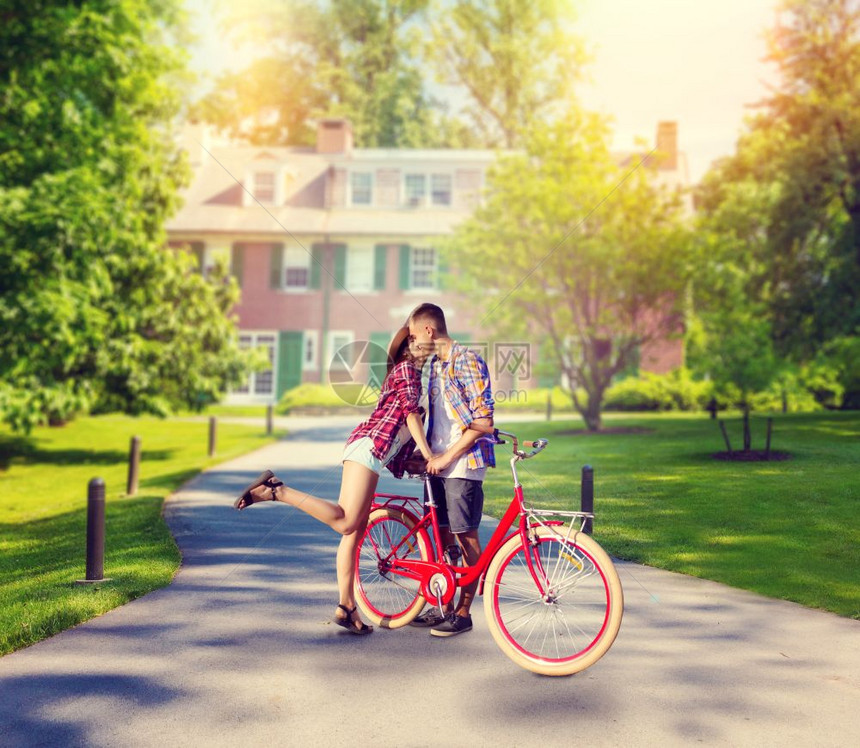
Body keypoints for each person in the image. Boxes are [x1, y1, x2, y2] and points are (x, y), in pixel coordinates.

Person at [233, 327, 433, 635]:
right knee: (345, 522)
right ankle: (277, 491)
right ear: (409, 342)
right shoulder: (406, 369)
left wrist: (417, 460)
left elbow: (399, 432)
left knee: (353, 533)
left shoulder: (414, 375)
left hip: (371, 452)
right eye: (424, 338)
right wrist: (430, 453)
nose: (430, 345)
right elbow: (408, 414)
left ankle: (346, 607)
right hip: (367, 448)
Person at [406, 303, 494, 637]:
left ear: (429, 330)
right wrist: (425, 451)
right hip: (438, 466)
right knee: (443, 537)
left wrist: (447, 457)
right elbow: (441, 418)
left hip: (463, 466)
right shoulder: (436, 367)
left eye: (415, 335)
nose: (414, 343)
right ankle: (442, 604)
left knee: (465, 534)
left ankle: (463, 612)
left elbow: (483, 421)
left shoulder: (467, 360)